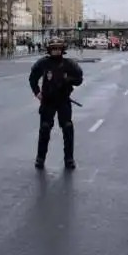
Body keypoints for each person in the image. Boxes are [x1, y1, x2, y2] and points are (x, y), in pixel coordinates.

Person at [28, 37, 84, 169]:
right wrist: (37, 93)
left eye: (58, 48)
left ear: (62, 50)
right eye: (53, 48)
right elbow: (32, 78)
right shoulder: (43, 63)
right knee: (45, 128)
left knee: (68, 128)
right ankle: (40, 158)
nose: (56, 51)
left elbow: (79, 79)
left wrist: (67, 80)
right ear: (49, 50)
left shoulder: (69, 64)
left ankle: (69, 159)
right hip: (48, 101)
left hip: (63, 100)